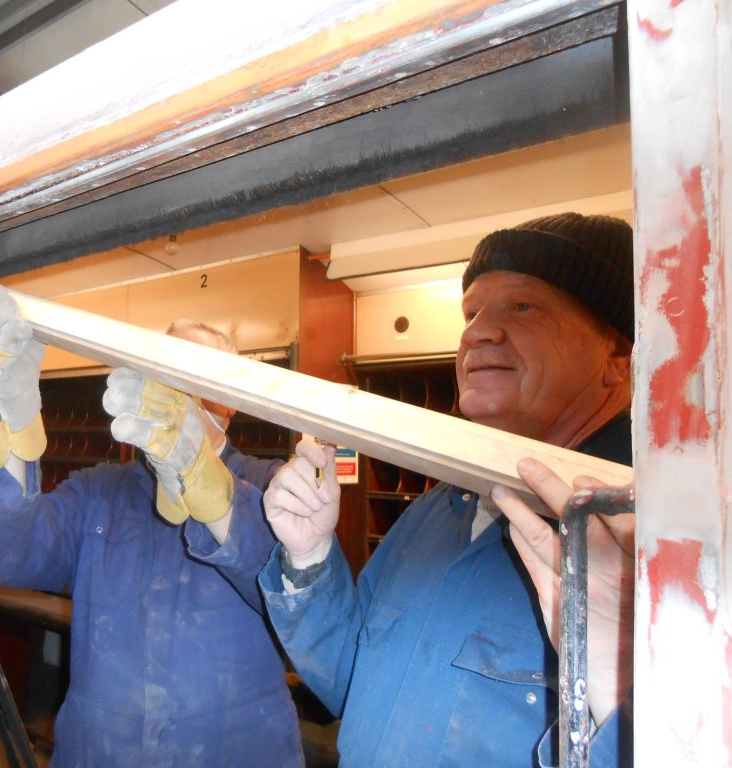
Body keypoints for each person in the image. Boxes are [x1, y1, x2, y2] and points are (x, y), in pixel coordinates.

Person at [255, 212, 636, 766]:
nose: (476, 330)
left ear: (616, 358)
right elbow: (351, 682)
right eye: (473, 310)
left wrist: (630, 701)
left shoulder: (650, 540)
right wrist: (310, 559)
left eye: (524, 305)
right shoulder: (443, 505)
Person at [0, 291, 304, 768]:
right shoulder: (100, 491)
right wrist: (10, 425)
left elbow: (290, 592)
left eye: (190, 374)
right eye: (161, 372)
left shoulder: (268, 486)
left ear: (228, 401)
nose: (170, 387)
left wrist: (202, 480)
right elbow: (5, 551)